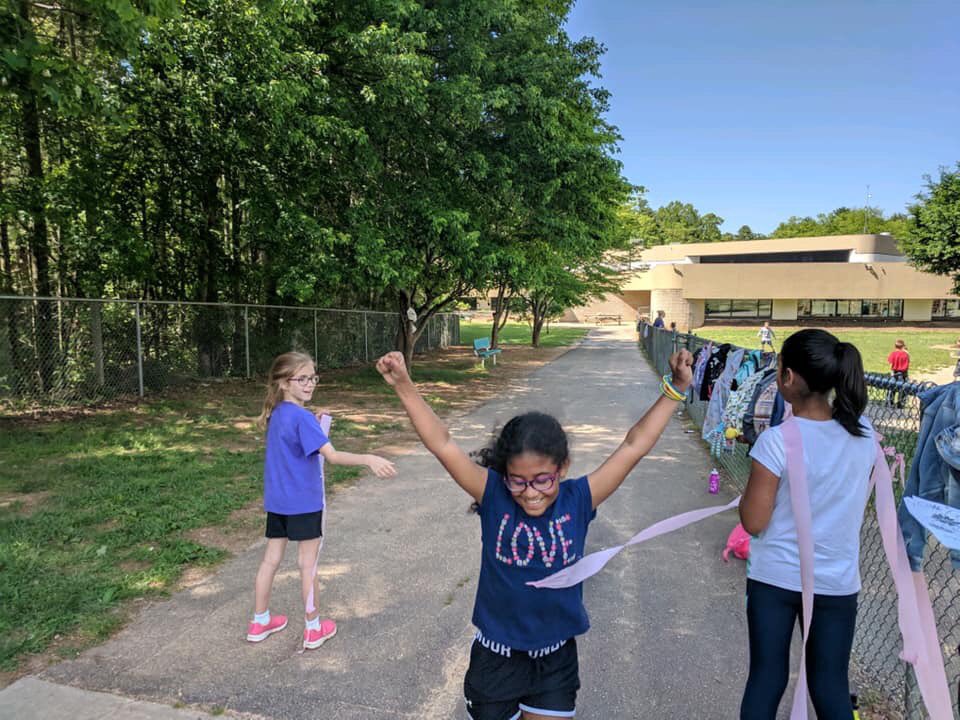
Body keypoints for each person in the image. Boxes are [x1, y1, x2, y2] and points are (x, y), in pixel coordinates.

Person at [375, 348, 693, 720]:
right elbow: (442, 444)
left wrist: (676, 388)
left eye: (543, 479)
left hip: (554, 660)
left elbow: (633, 445)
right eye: (518, 481)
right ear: (504, 474)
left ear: (563, 468)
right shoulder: (492, 494)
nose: (530, 492)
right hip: (496, 658)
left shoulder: (579, 499)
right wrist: (404, 386)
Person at [738, 329, 874, 719]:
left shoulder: (777, 441)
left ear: (789, 378)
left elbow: (754, 522)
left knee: (766, 678)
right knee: (830, 685)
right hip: (837, 581)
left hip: (775, 580)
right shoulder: (865, 440)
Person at [247, 351, 397, 649]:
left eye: (312, 377)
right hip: (304, 504)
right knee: (308, 565)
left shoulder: (278, 413)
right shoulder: (302, 418)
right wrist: (368, 458)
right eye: (301, 378)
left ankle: (259, 621)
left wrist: (315, 426)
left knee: (270, 560)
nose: (309, 383)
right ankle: (314, 627)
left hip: (278, 503)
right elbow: (333, 456)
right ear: (283, 383)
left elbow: (296, 443)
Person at [886, 339, 910, 408]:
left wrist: (891, 372)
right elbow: (908, 363)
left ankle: (890, 402)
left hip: (894, 373)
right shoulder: (905, 354)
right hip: (903, 373)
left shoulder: (893, 353)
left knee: (892, 387)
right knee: (902, 388)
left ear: (895, 346)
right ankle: (900, 403)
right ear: (903, 346)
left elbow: (891, 364)